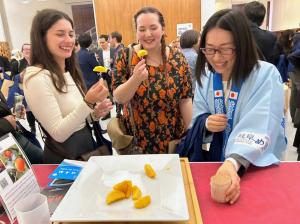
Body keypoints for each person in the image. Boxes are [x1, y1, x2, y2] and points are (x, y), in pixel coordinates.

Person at [190, 9, 286, 204]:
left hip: (253, 167)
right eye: (210, 49)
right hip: (214, 166)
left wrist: (232, 163)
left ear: (241, 46)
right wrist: (206, 123)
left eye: (225, 49)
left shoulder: (265, 75)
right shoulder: (206, 77)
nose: (216, 57)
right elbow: (198, 118)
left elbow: (261, 124)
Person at [23, 9, 113, 163]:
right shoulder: (36, 78)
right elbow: (59, 133)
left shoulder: (67, 71)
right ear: (41, 38)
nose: (69, 40)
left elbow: (77, 120)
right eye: (60, 34)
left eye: (71, 34)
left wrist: (95, 113)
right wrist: (88, 102)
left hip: (85, 148)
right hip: (65, 157)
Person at [113, 6, 193, 154]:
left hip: (172, 139)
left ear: (163, 29)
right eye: (142, 29)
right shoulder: (125, 56)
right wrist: (135, 79)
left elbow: (185, 99)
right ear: (136, 32)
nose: (147, 34)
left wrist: (191, 134)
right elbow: (119, 98)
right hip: (138, 141)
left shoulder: (178, 58)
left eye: (153, 28)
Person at [0, 91, 43, 164]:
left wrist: (13, 112)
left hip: (15, 133)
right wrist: (5, 122)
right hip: (6, 142)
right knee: (44, 162)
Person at [180, 29, 200, 94]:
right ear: (194, 43)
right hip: (193, 91)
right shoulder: (195, 57)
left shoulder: (178, 54)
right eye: (200, 40)